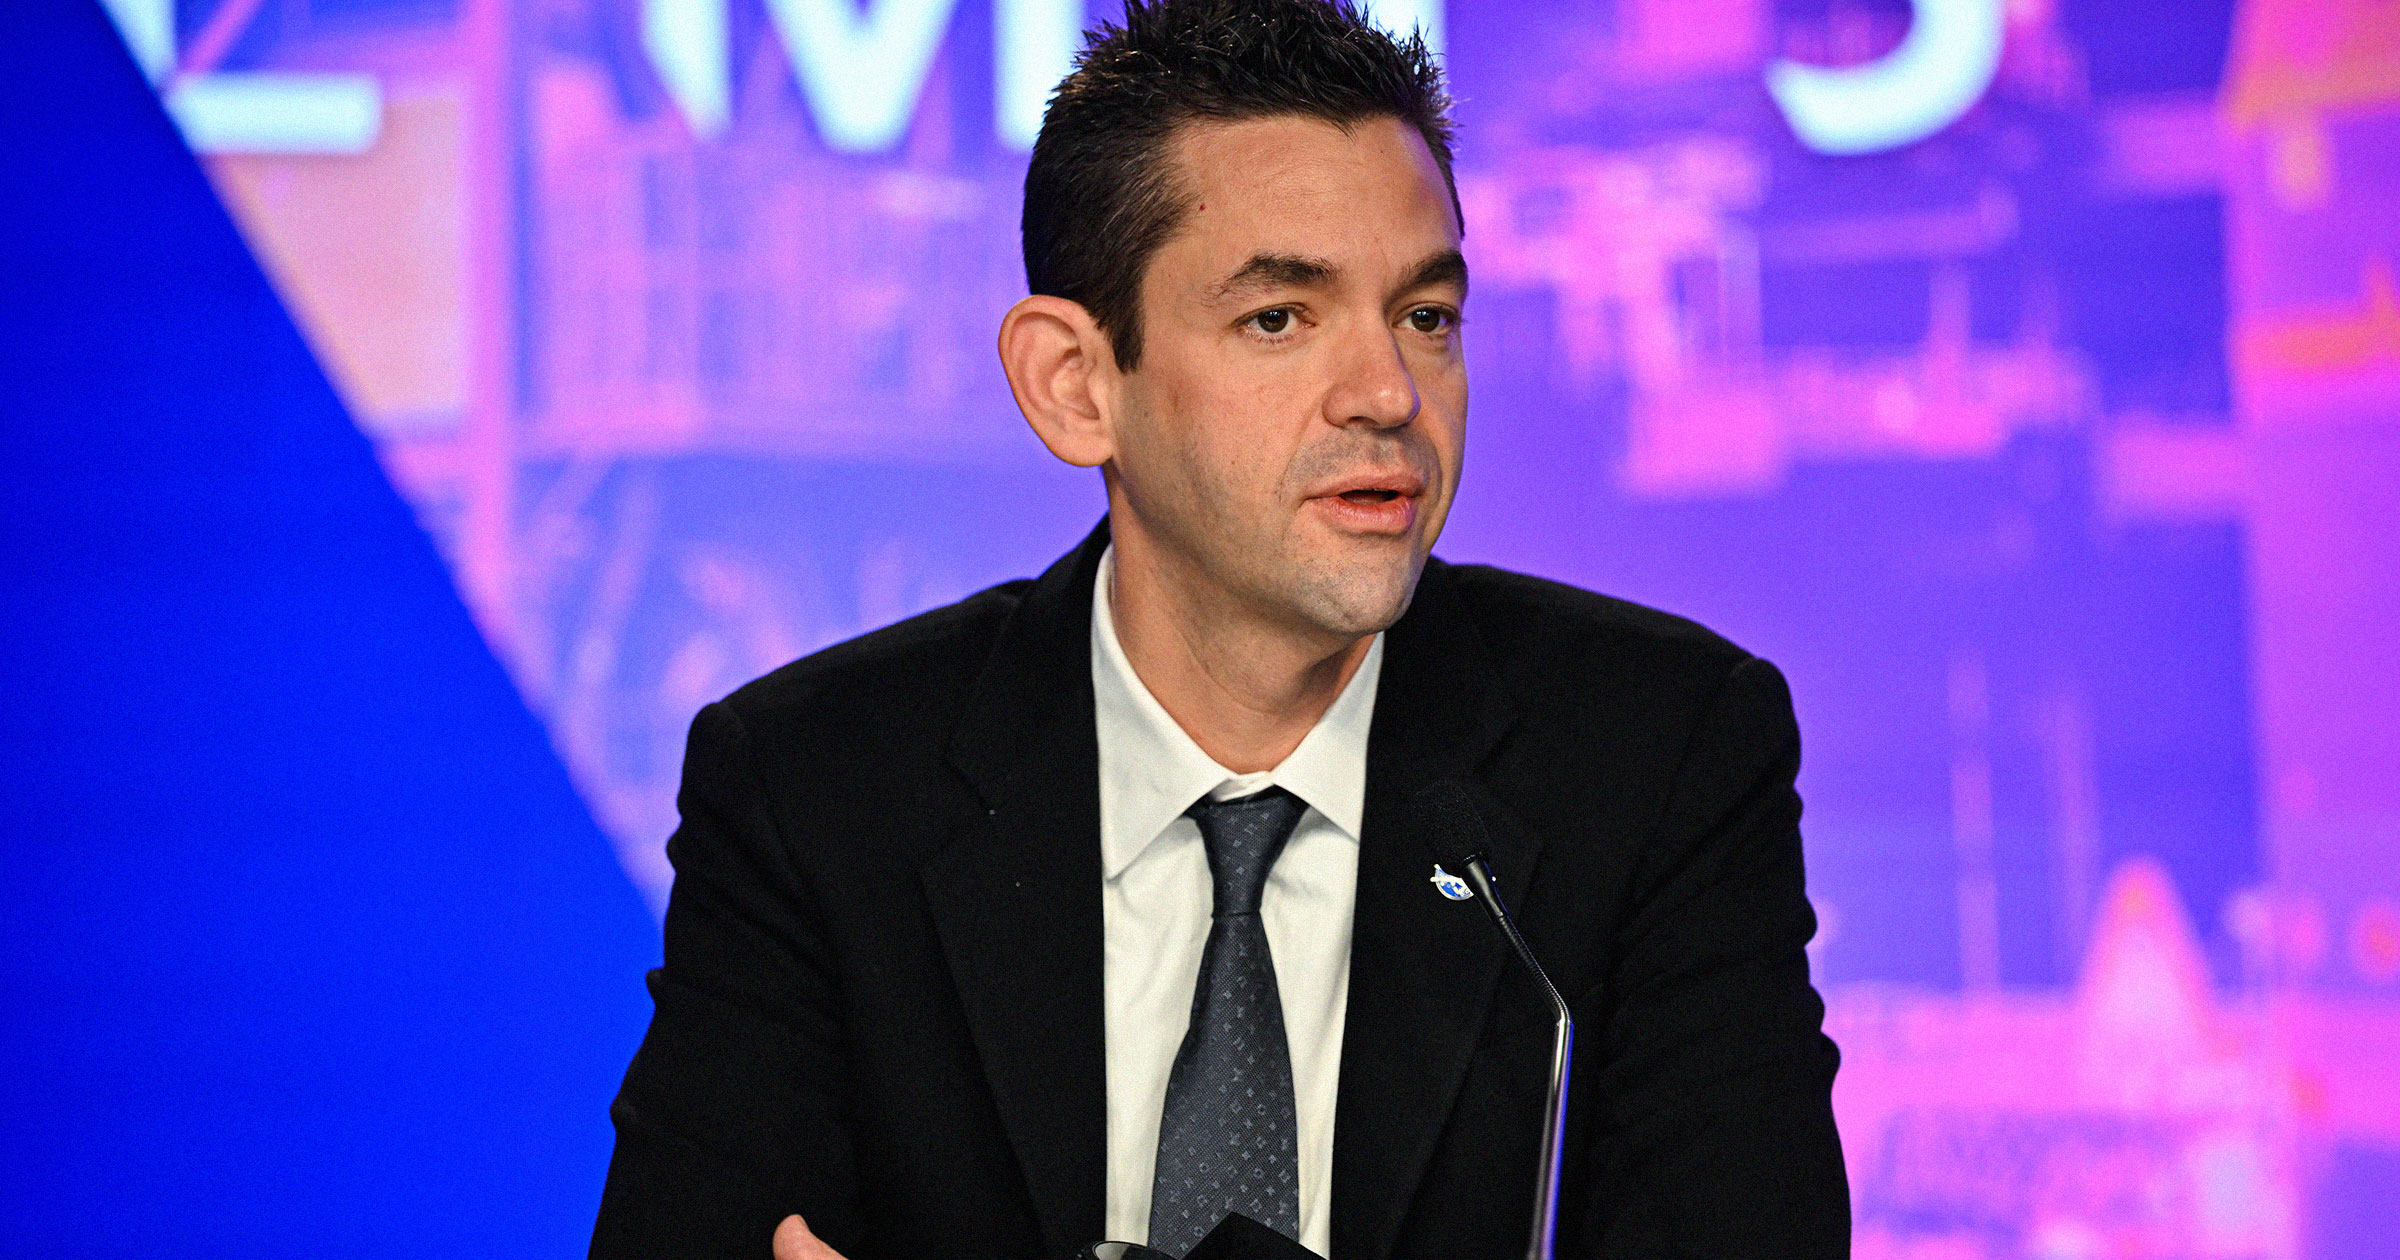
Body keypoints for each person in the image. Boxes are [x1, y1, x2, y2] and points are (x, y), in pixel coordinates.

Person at [588, 1, 1848, 1256]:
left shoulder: (1660, 757)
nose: (1388, 394)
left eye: (1426, 316)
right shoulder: (817, 787)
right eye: (1279, 318)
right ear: (1075, 386)